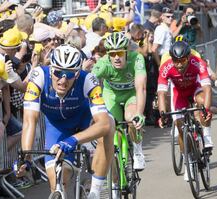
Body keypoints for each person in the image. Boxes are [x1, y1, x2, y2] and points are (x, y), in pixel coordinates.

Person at [16, 44, 115, 199]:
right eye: (58, 72)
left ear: (76, 74)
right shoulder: (38, 76)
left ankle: (95, 192)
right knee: (58, 183)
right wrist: (26, 157)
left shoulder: (88, 79)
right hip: (58, 127)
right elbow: (30, 120)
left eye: (69, 75)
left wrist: (74, 139)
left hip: (85, 122)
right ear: (51, 70)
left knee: (110, 124)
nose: (62, 80)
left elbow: (103, 124)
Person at [157, 38, 213, 181]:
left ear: (188, 57)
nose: (179, 64)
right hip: (179, 94)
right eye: (176, 61)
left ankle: (206, 134)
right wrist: (162, 114)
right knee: (180, 127)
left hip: (195, 89)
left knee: (201, 102)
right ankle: (188, 161)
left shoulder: (198, 63)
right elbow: (162, 93)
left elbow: (207, 87)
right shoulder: (166, 67)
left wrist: (206, 110)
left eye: (182, 60)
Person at [92, 32, 147, 171]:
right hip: (111, 95)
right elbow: (88, 82)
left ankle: (137, 150)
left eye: (120, 53)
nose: (116, 58)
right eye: (112, 54)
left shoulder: (137, 59)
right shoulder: (103, 63)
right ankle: (116, 179)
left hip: (131, 94)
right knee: (112, 128)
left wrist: (139, 113)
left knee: (131, 119)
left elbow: (141, 87)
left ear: (127, 52)